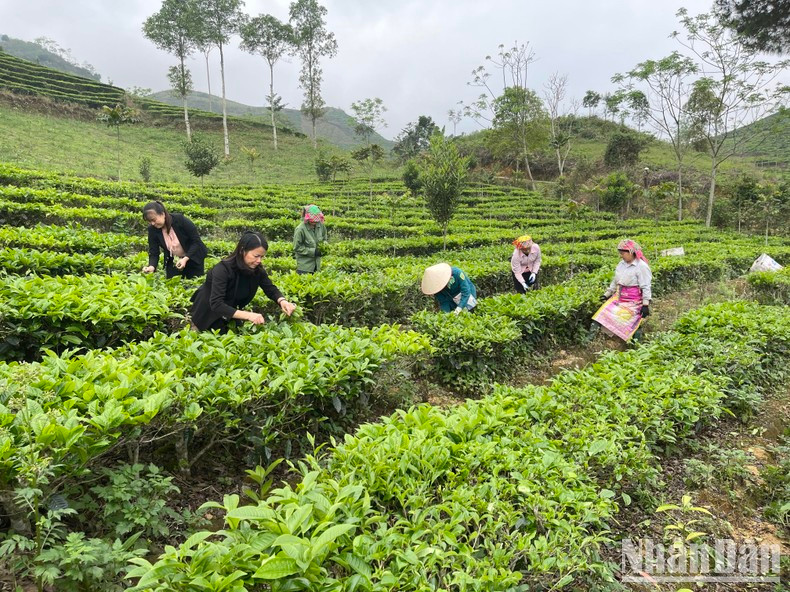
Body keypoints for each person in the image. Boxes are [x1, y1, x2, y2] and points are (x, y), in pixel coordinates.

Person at [190, 231, 296, 332]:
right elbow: (216, 304)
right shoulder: (222, 270)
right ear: (242, 250)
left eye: (262, 257)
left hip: (229, 313)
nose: (259, 261)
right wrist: (249, 315)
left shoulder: (257, 270)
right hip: (207, 314)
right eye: (256, 256)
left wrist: (282, 301)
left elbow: (270, 288)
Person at [591, 239, 652, 342]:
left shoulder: (641, 266)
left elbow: (646, 286)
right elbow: (616, 281)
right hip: (619, 298)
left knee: (633, 323)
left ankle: (636, 345)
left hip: (634, 302)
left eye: (622, 253)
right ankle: (590, 341)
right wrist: (607, 294)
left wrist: (645, 305)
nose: (621, 256)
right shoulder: (621, 264)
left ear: (631, 252)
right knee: (600, 315)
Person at [142, 201, 207, 279]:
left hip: (193, 257)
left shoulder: (180, 220)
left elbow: (196, 242)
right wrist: (151, 266)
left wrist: (185, 259)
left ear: (162, 214)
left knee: (194, 282)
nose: (152, 223)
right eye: (149, 221)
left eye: (154, 220)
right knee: (172, 282)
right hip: (174, 260)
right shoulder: (152, 230)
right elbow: (154, 252)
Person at [293, 204, 327, 274]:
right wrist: (313, 252)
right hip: (304, 267)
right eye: (312, 221)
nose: (314, 222)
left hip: (317, 266)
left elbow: (324, 238)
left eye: (316, 221)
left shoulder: (321, 226)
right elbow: (297, 247)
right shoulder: (300, 229)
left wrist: (324, 247)